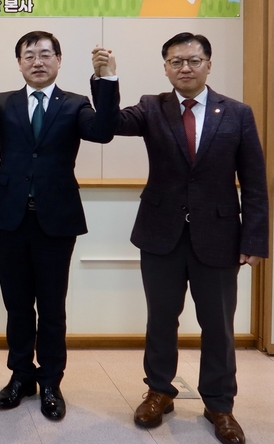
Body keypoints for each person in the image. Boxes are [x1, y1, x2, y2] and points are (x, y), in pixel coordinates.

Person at [94, 33, 268, 444]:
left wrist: (255, 239)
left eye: (193, 60)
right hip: (161, 234)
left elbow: (255, 183)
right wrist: (107, 78)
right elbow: (108, 126)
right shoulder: (152, 107)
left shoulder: (237, 113)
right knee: (160, 319)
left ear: (208, 64)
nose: (184, 68)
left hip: (220, 236)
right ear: (166, 68)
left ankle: (219, 404)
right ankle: (159, 391)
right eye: (176, 61)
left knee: (218, 325)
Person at [0, 31, 120, 421]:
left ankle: (50, 381)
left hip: (56, 220)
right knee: (16, 306)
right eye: (29, 55)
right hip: (9, 218)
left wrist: (107, 79)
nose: (37, 61)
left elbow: (103, 131)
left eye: (46, 54)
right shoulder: (4, 102)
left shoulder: (76, 104)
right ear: (19, 63)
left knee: (51, 307)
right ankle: (20, 376)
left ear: (59, 60)